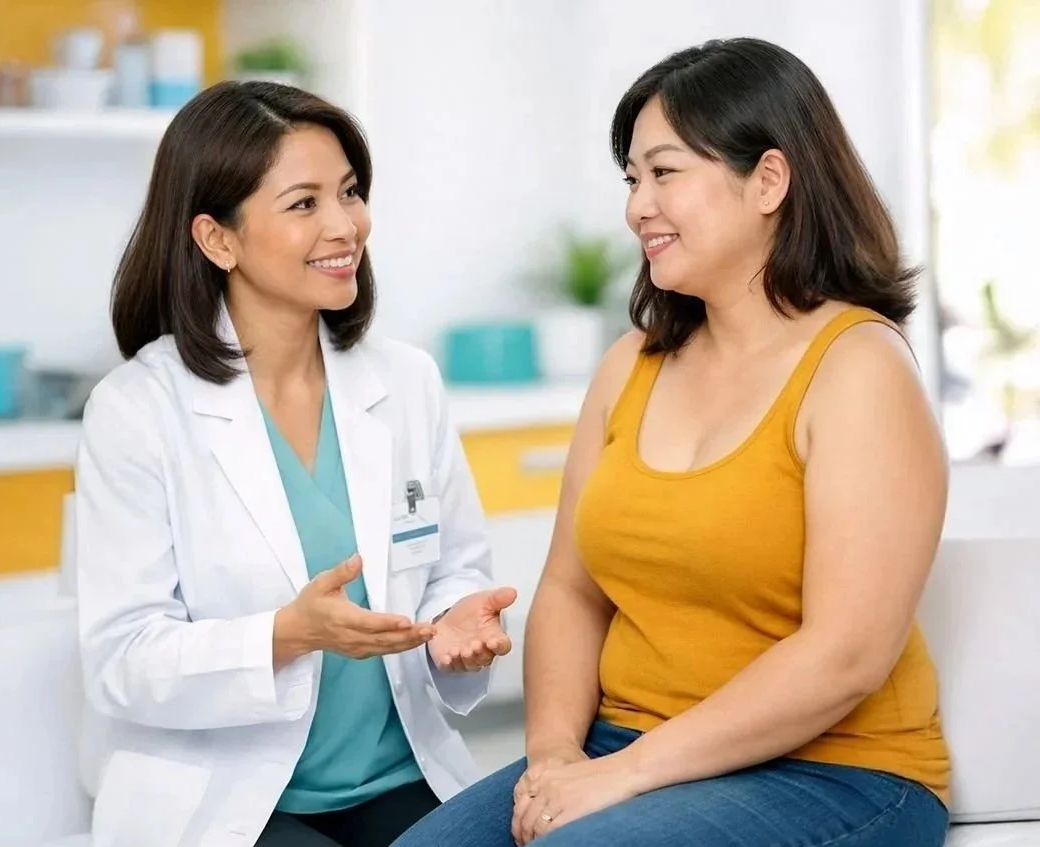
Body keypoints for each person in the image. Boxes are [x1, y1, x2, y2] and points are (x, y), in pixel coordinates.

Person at [394, 37, 950, 847]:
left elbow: (845, 656)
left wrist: (621, 774)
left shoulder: (858, 368)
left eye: (663, 173)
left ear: (768, 179)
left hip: (835, 771)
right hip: (626, 744)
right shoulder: (630, 365)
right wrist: (552, 757)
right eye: (631, 178)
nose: (635, 207)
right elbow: (570, 591)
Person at [74, 81, 517, 847]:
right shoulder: (138, 409)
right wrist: (286, 633)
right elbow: (122, 658)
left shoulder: (405, 382)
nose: (347, 225)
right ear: (218, 239)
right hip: (234, 797)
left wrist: (456, 623)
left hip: (399, 777)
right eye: (304, 203)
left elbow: (453, 570)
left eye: (349, 192)